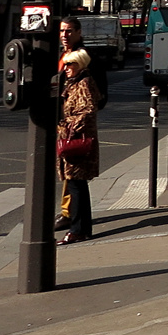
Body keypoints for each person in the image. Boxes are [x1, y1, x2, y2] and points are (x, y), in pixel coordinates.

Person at [56, 47, 102, 244]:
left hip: (77, 142)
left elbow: (88, 110)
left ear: (80, 64)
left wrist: (67, 127)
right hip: (79, 140)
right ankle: (83, 229)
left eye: (70, 64)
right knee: (78, 185)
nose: (66, 68)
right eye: (65, 64)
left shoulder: (82, 83)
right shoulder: (75, 82)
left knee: (76, 185)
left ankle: (76, 230)